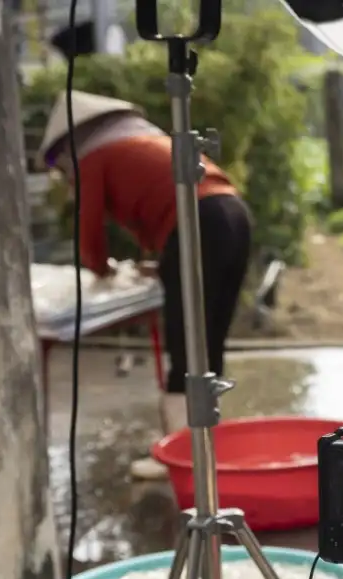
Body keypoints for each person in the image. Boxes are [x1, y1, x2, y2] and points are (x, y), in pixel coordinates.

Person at [36, 90, 253, 481]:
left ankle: (182, 456)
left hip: (199, 224)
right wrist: (163, 264)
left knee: (185, 344)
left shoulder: (94, 157)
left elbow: (89, 233)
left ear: (70, 144)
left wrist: (101, 270)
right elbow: (163, 205)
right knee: (208, 340)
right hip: (233, 214)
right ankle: (206, 448)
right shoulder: (145, 141)